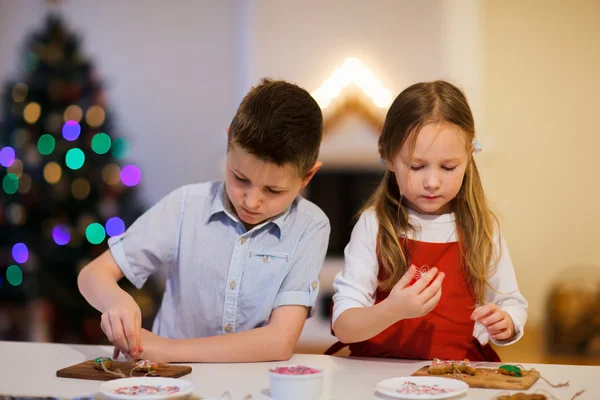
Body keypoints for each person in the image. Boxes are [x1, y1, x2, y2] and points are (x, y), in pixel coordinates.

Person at [78, 78, 330, 363]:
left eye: (273, 190)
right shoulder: (186, 206)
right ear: (228, 143)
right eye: (240, 178)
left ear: (307, 176)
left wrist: (166, 349)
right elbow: (91, 275)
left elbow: (279, 341)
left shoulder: (310, 226)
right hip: (167, 382)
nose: (251, 201)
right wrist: (117, 301)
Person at [328, 80, 527, 361]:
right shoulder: (374, 224)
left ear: (470, 156)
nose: (432, 182)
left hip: (461, 373)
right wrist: (393, 310)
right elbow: (344, 327)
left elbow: (511, 303)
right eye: (417, 166)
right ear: (388, 157)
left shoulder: (483, 228)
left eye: (448, 167)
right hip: (379, 371)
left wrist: (505, 322)